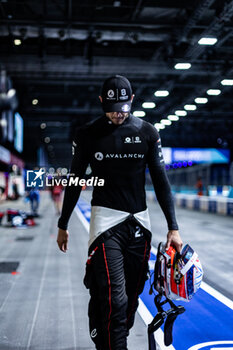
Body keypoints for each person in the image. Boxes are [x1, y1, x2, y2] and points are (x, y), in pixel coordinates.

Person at [57, 75, 183, 350]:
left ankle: (110, 340)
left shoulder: (147, 132)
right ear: (101, 102)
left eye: (123, 107)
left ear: (132, 101)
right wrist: (63, 223)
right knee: (117, 297)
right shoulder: (87, 134)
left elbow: (161, 181)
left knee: (132, 296)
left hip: (140, 221)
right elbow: (76, 179)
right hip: (104, 223)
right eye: (111, 107)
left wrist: (173, 227)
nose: (117, 113)